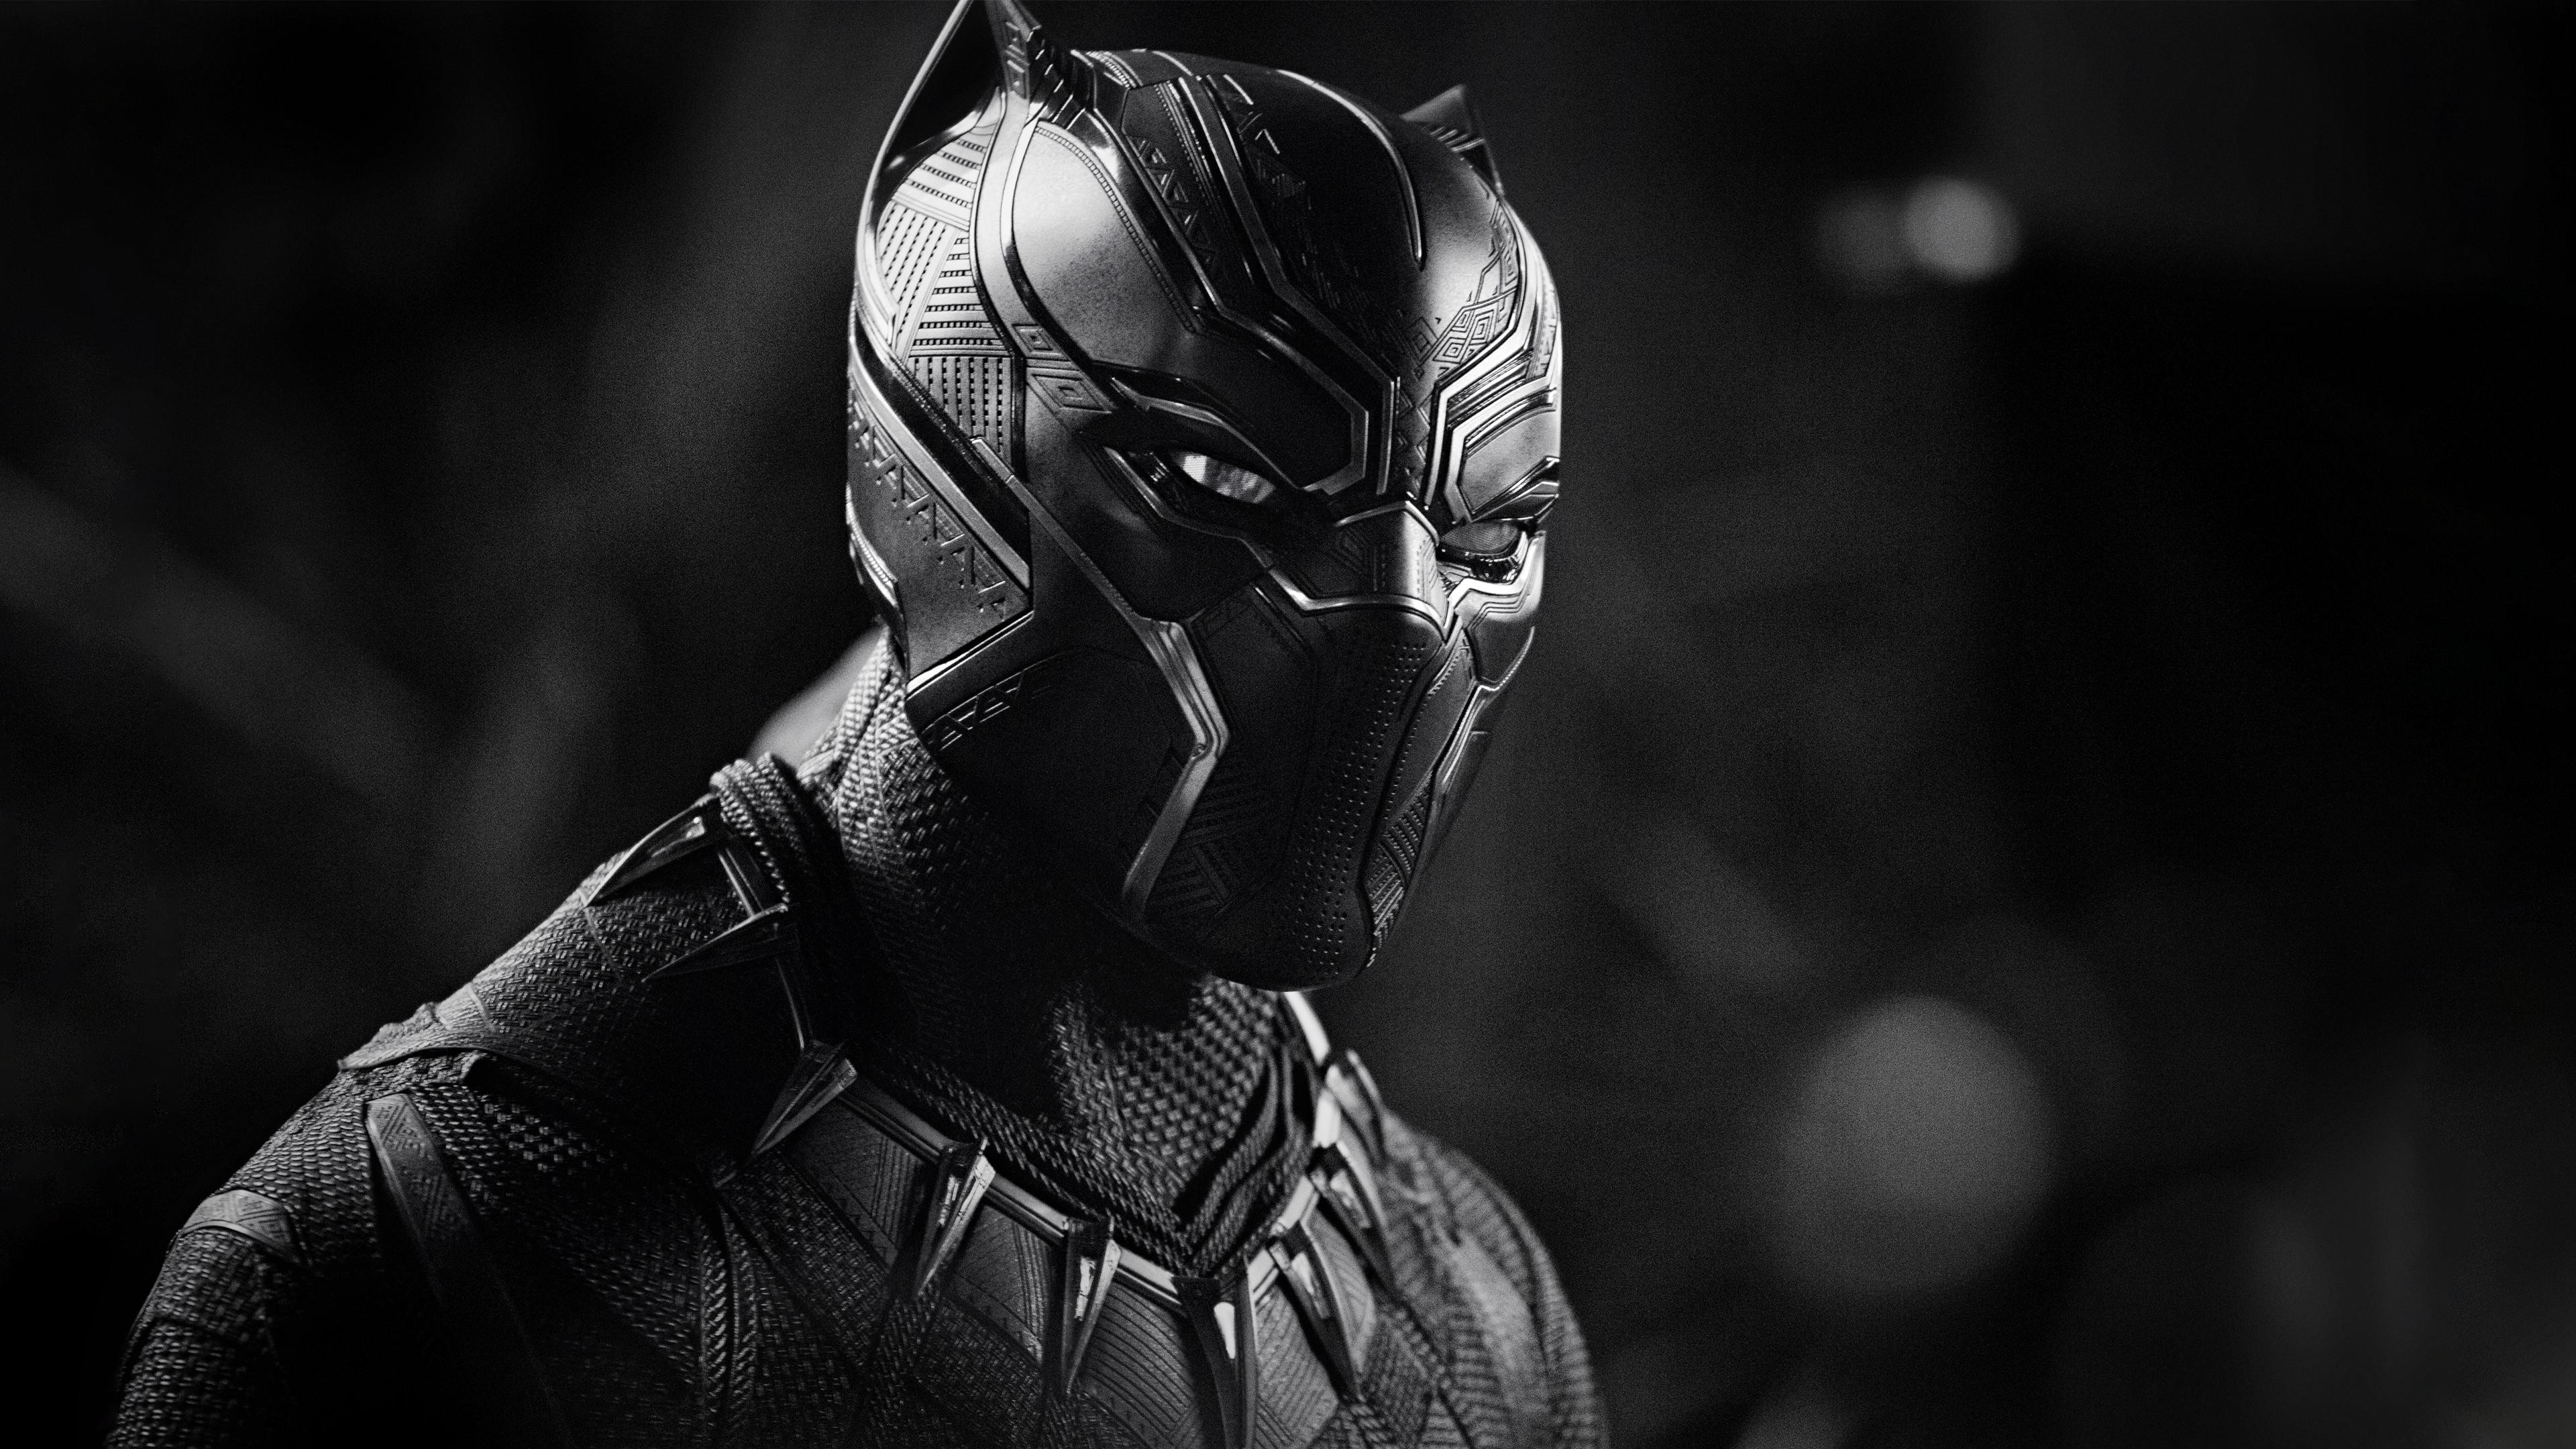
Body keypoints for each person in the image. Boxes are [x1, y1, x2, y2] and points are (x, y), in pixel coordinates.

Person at [111, 3, 1587, 1444]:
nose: (1399, 629)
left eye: (1487, 529)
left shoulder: (1474, 1308)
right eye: (1228, 484)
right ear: (947, 443)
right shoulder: (444, 1237)